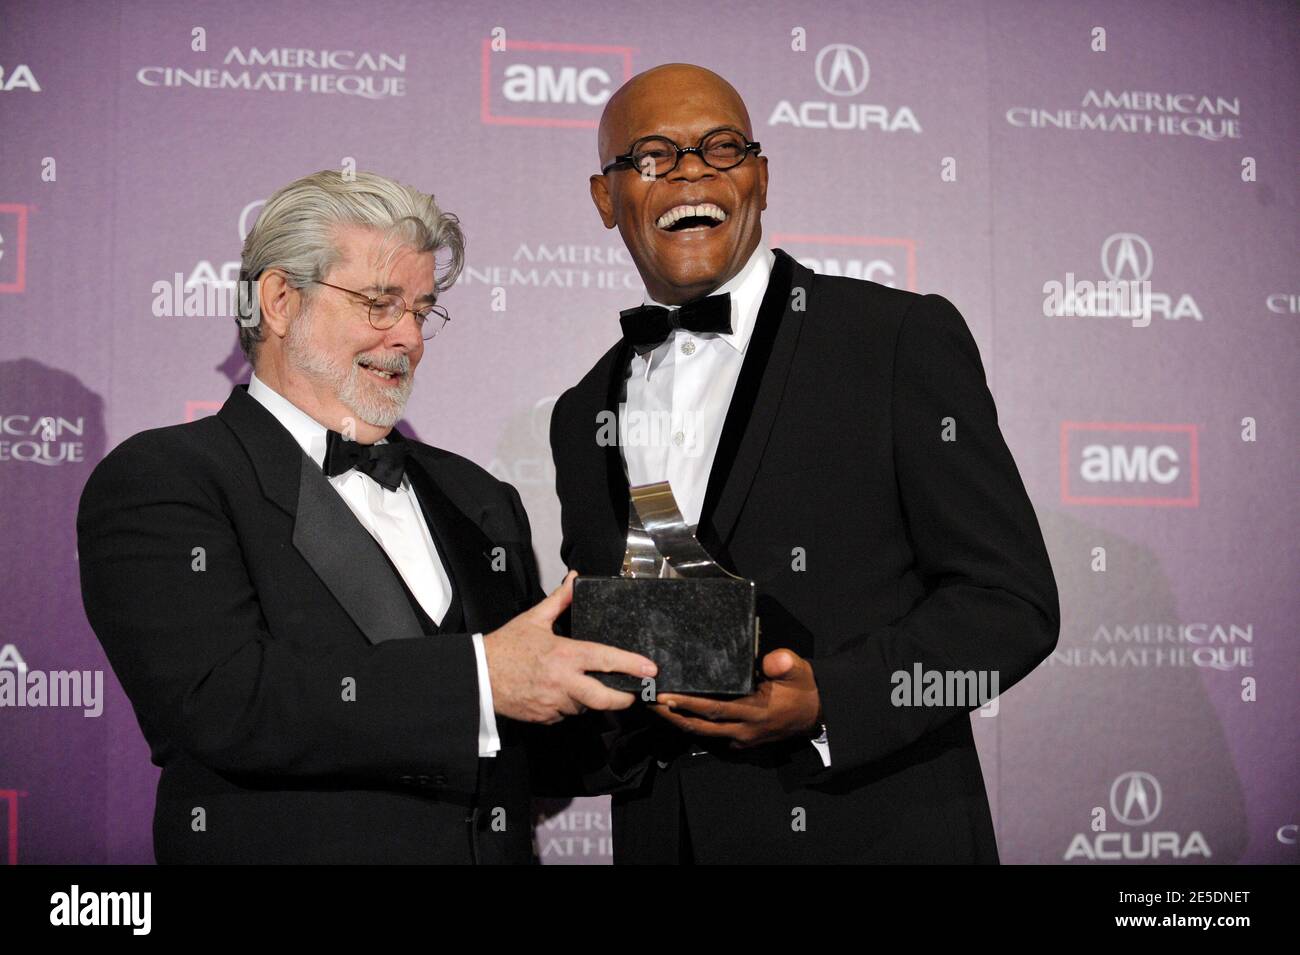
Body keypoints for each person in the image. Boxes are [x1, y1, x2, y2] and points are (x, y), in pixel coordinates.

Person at [549, 65, 1061, 863]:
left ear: (760, 176)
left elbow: (1010, 603)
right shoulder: (581, 412)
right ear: (605, 197)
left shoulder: (892, 340)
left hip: (873, 837)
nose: (691, 173)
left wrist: (832, 701)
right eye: (652, 156)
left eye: (721, 148)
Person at [77, 170, 654, 864]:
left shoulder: (474, 494)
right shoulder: (168, 478)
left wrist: (666, 692)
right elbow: (221, 702)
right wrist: (478, 679)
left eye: (422, 310)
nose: (409, 337)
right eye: (380, 305)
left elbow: (532, 735)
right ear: (280, 300)